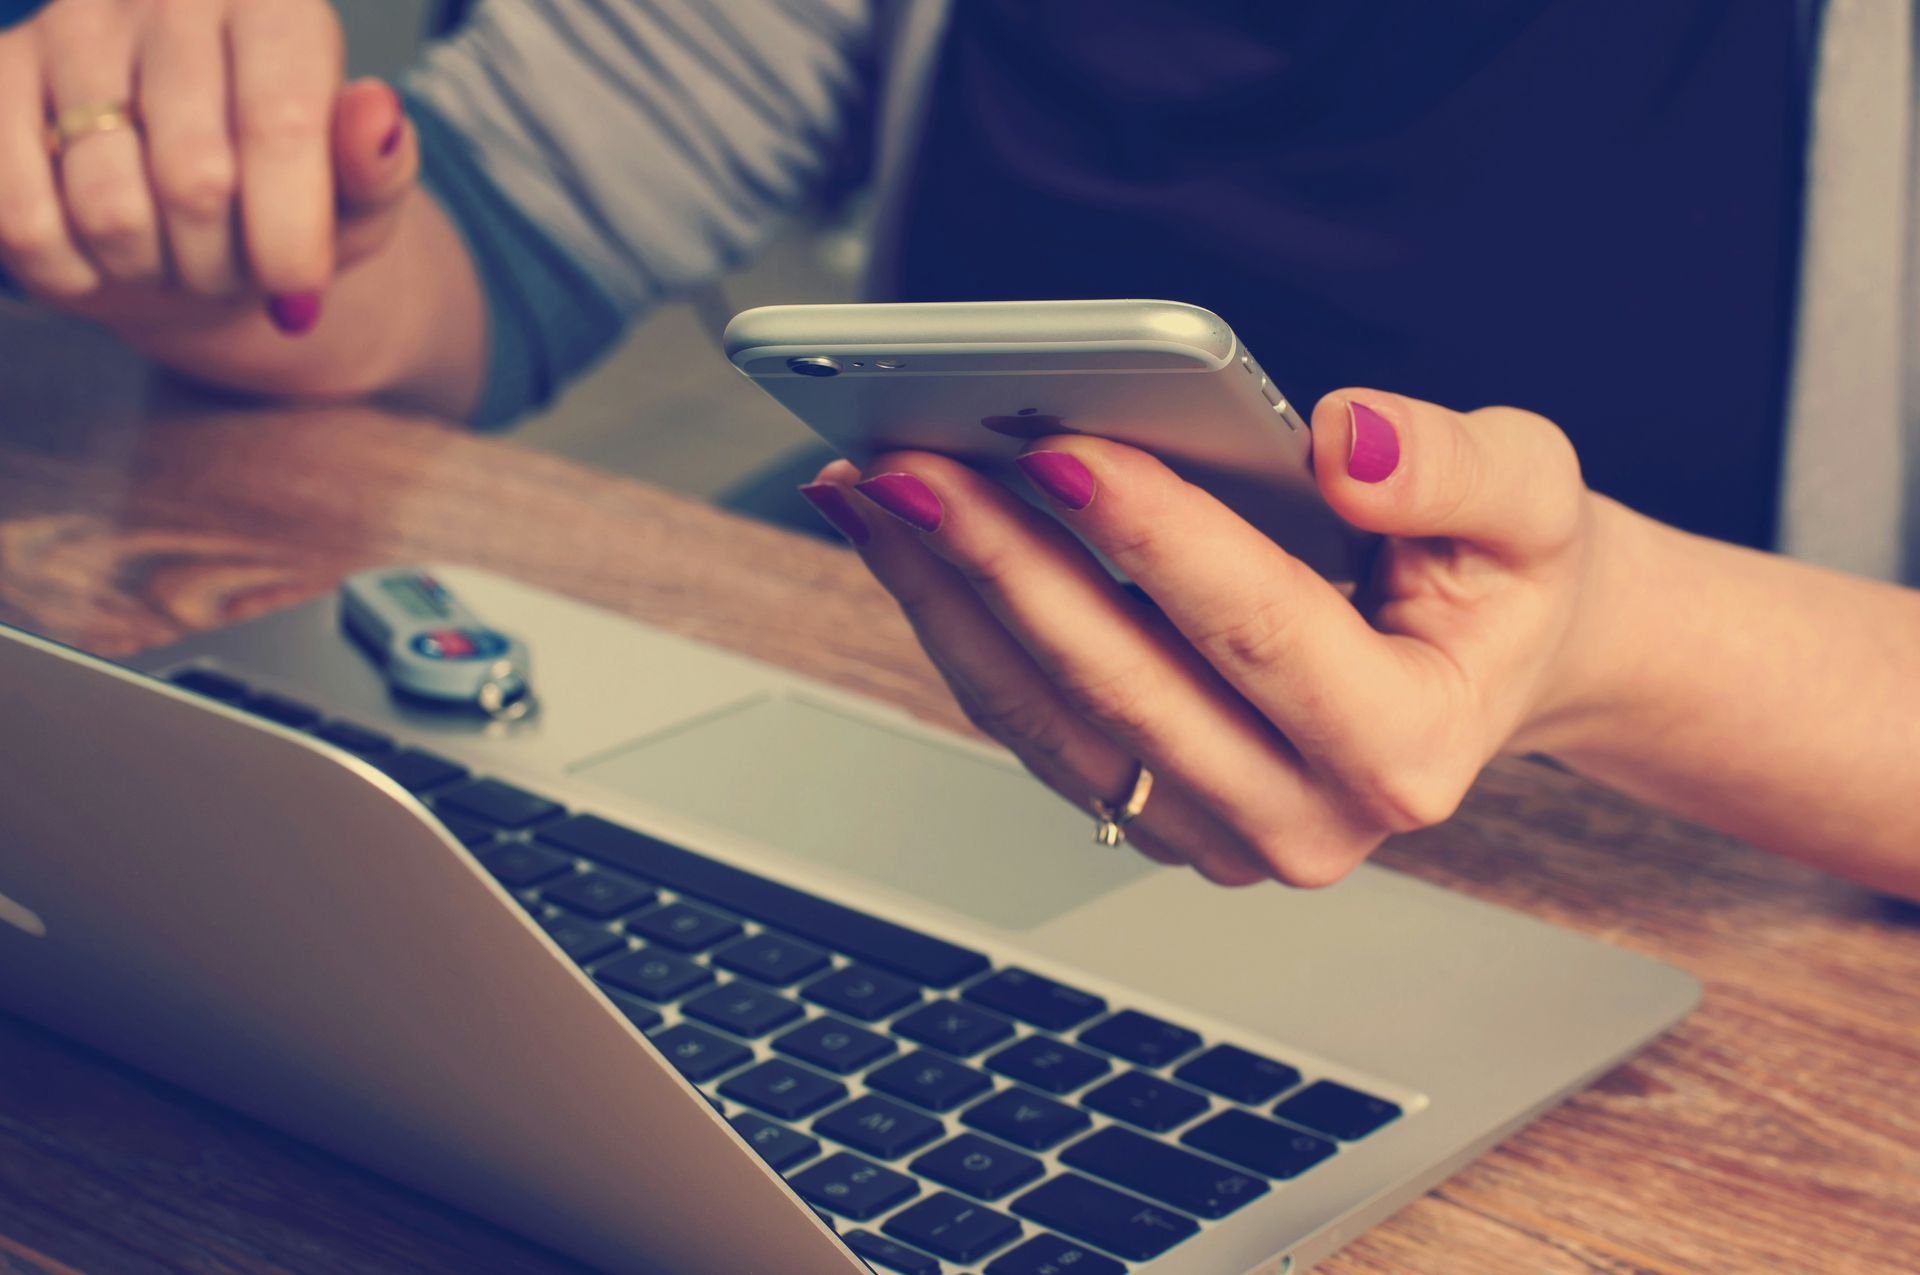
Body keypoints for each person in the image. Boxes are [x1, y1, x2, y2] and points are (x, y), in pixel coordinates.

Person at [0, 0, 1914, 896]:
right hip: (923, 824)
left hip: (1708, 959)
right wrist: (237, 226)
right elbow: (500, 233)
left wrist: (1606, 641)